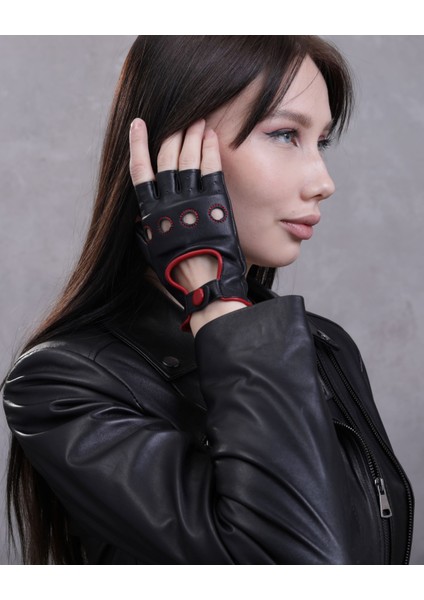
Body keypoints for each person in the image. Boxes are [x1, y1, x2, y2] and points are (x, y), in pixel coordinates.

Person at [2, 35, 414, 565]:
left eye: (322, 142)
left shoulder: (324, 344)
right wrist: (211, 290)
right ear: (174, 156)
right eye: (285, 134)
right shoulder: (63, 386)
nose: (323, 182)